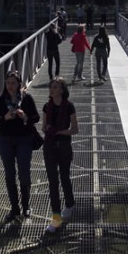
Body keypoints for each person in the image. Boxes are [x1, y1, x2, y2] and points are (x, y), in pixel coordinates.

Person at [0, 70, 41, 221]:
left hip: (24, 139)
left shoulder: (27, 99)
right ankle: (14, 208)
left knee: (24, 174)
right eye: (8, 83)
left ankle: (26, 206)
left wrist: (25, 116)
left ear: (19, 84)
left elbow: (36, 117)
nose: (10, 86)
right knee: (9, 174)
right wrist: (4, 117)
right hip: (5, 140)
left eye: (13, 83)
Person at [42, 76, 78, 233]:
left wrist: (59, 132)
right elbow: (43, 127)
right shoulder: (46, 107)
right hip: (49, 146)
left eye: (55, 87)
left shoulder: (69, 107)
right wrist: (49, 130)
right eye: (51, 87)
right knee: (52, 181)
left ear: (62, 90)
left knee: (64, 177)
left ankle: (69, 204)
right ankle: (56, 219)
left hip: (63, 145)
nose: (52, 90)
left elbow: (75, 129)